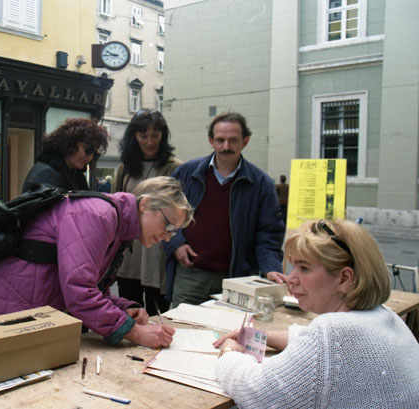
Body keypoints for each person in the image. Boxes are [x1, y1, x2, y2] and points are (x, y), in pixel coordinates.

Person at [0, 176, 194, 348]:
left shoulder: (116, 225)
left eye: (175, 231)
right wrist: (137, 333)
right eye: (169, 225)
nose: (168, 236)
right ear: (145, 205)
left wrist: (123, 309)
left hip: (15, 319)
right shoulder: (99, 215)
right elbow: (79, 292)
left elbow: (89, 287)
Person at [214, 219, 419, 408]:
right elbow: (320, 347)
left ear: (344, 279)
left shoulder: (331, 332)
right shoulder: (385, 316)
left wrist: (229, 352)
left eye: (304, 268)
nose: (291, 278)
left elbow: (254, 391)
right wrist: (263, 336)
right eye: (294, 267)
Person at [162, 111, 285, 307]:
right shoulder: (186, 174)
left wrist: (270, 268)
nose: (226, 147)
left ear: (245, 141)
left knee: (231, 327)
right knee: (183, 324)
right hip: (191, 275)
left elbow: (269, 233)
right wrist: (176, 243)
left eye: (233, 140)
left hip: (238, 278)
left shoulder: (260, 183)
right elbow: (164, 214)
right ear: (211, 141)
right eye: (220, 140)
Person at [113, 109, 183, 315]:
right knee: (130, 312)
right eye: (143, 136)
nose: (150, 142)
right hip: (129, 253)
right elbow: (115, 207)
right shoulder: (125, 168)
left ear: (163, 135)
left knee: (157, 313)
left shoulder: (175, 167)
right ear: (134, 137)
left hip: (158, 252)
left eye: (155, 135)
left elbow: (181, 211)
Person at [22, 118, 109, 192]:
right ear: (70, 143)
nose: (90, 157)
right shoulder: (46, 175)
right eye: (88, 149)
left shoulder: (75, 174)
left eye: (95, 154)